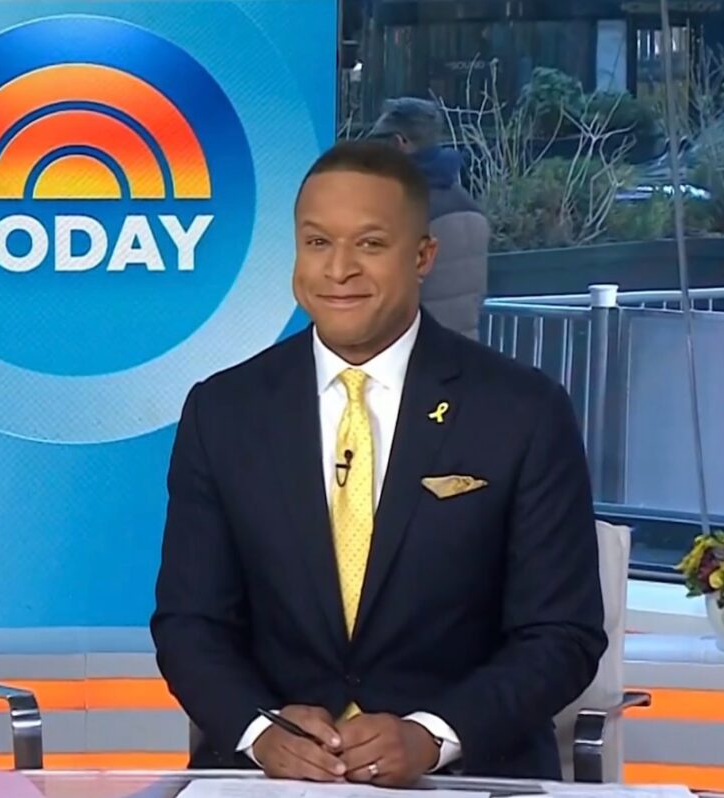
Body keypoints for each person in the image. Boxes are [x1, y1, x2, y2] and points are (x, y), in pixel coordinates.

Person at [151, 140, 605, 785]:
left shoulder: (521, 411)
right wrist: (260, 733)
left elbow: (561, 634)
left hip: (463, 777)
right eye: (317, 243)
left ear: (423, 256)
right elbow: (190, 624)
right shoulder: (223, 411)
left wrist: (433, 735)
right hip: (273, 781)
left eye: (369, 244)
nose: (339, 270)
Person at [368, 97, 488, 340]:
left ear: (399, 143)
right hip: (463, 351)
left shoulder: (399, 211)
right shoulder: (467, 205)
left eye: (378, 142)